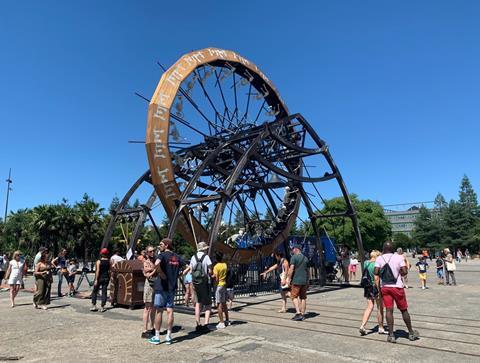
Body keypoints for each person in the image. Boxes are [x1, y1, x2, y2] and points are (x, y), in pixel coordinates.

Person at [374, 241, 419, 343]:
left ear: (383, 248)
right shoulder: (399, 257)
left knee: (389, 310)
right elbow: (404, 272)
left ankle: (391, 335)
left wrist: (384, 273)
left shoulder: (379, 258)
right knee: (404, 310)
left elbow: (376, 272)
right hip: (397, 287)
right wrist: (397, 272)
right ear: (392, 248)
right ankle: (411, 333)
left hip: (385, 287)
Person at [148, 238, 188, 345]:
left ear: (166, 245)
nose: (159, 246)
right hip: (172, 286)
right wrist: (179, 275)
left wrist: (160, 273)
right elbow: (188, 267)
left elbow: (156, 264)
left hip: (162, 286)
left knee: (159, 310)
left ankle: (157, 336)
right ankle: (169, 336)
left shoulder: (162, 255)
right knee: (170, 310)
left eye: (161, 244)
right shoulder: (177, 257)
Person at [359, 250, 385, 335]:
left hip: (367, 287)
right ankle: (380, 327)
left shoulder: (366, 263)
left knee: (369, 306)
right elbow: (376, 278)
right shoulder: (376, 264)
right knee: (379, 307)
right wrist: (379, 290)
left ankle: (363, 325)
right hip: (375, 287)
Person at [190, 241, 213, 332]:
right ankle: (206, 324)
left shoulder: (193, 257)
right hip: (205, 283)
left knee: (198, 303)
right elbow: (210, 271)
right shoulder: (206, 257)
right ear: (204, 249)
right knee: (208, 304)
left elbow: (191, 270)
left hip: (196, 283)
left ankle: (197, 323)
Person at [287, 244, 309, 321]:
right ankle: (303, 314)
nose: (292, 251)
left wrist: (288, 279)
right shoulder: (305, 258)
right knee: (303, 297)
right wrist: (307, 280)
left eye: (293, 249)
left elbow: (291, 269)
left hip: (296, 280)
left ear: (296, 249)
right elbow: (308, 271)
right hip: (304, 281)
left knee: (293, 296)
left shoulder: (294, 257)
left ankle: (298, 313)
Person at [141, 246, 157, 338]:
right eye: (150, 251)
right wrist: (154, 270)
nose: (152, 252)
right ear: (147, 253)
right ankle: (145, 329)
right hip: (149, 286)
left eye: (153, 251)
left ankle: (152, 327)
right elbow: (147, 275)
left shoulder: (155, 261)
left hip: (155, 286)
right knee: (147, 308)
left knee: (153, 308)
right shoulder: (146, 262)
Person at [213, 251, 229, 329]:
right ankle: (227, 320)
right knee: (224, 303)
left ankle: (221, 322)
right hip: (224, 284)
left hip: (219, 285)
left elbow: (216, 278)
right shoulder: (225, 265)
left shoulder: (216, 267)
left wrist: (212, 276)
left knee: (219, 304)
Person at [90, 248, 110, 312]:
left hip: (99, 278)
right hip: (106, 278)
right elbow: (110, 271)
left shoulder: (98, 261)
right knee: (104, 292)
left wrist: (96, 279)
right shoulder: (109, 261)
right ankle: (102, 307)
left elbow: (97, 271)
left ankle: (94, 306)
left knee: (95, 291)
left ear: (101, 254)